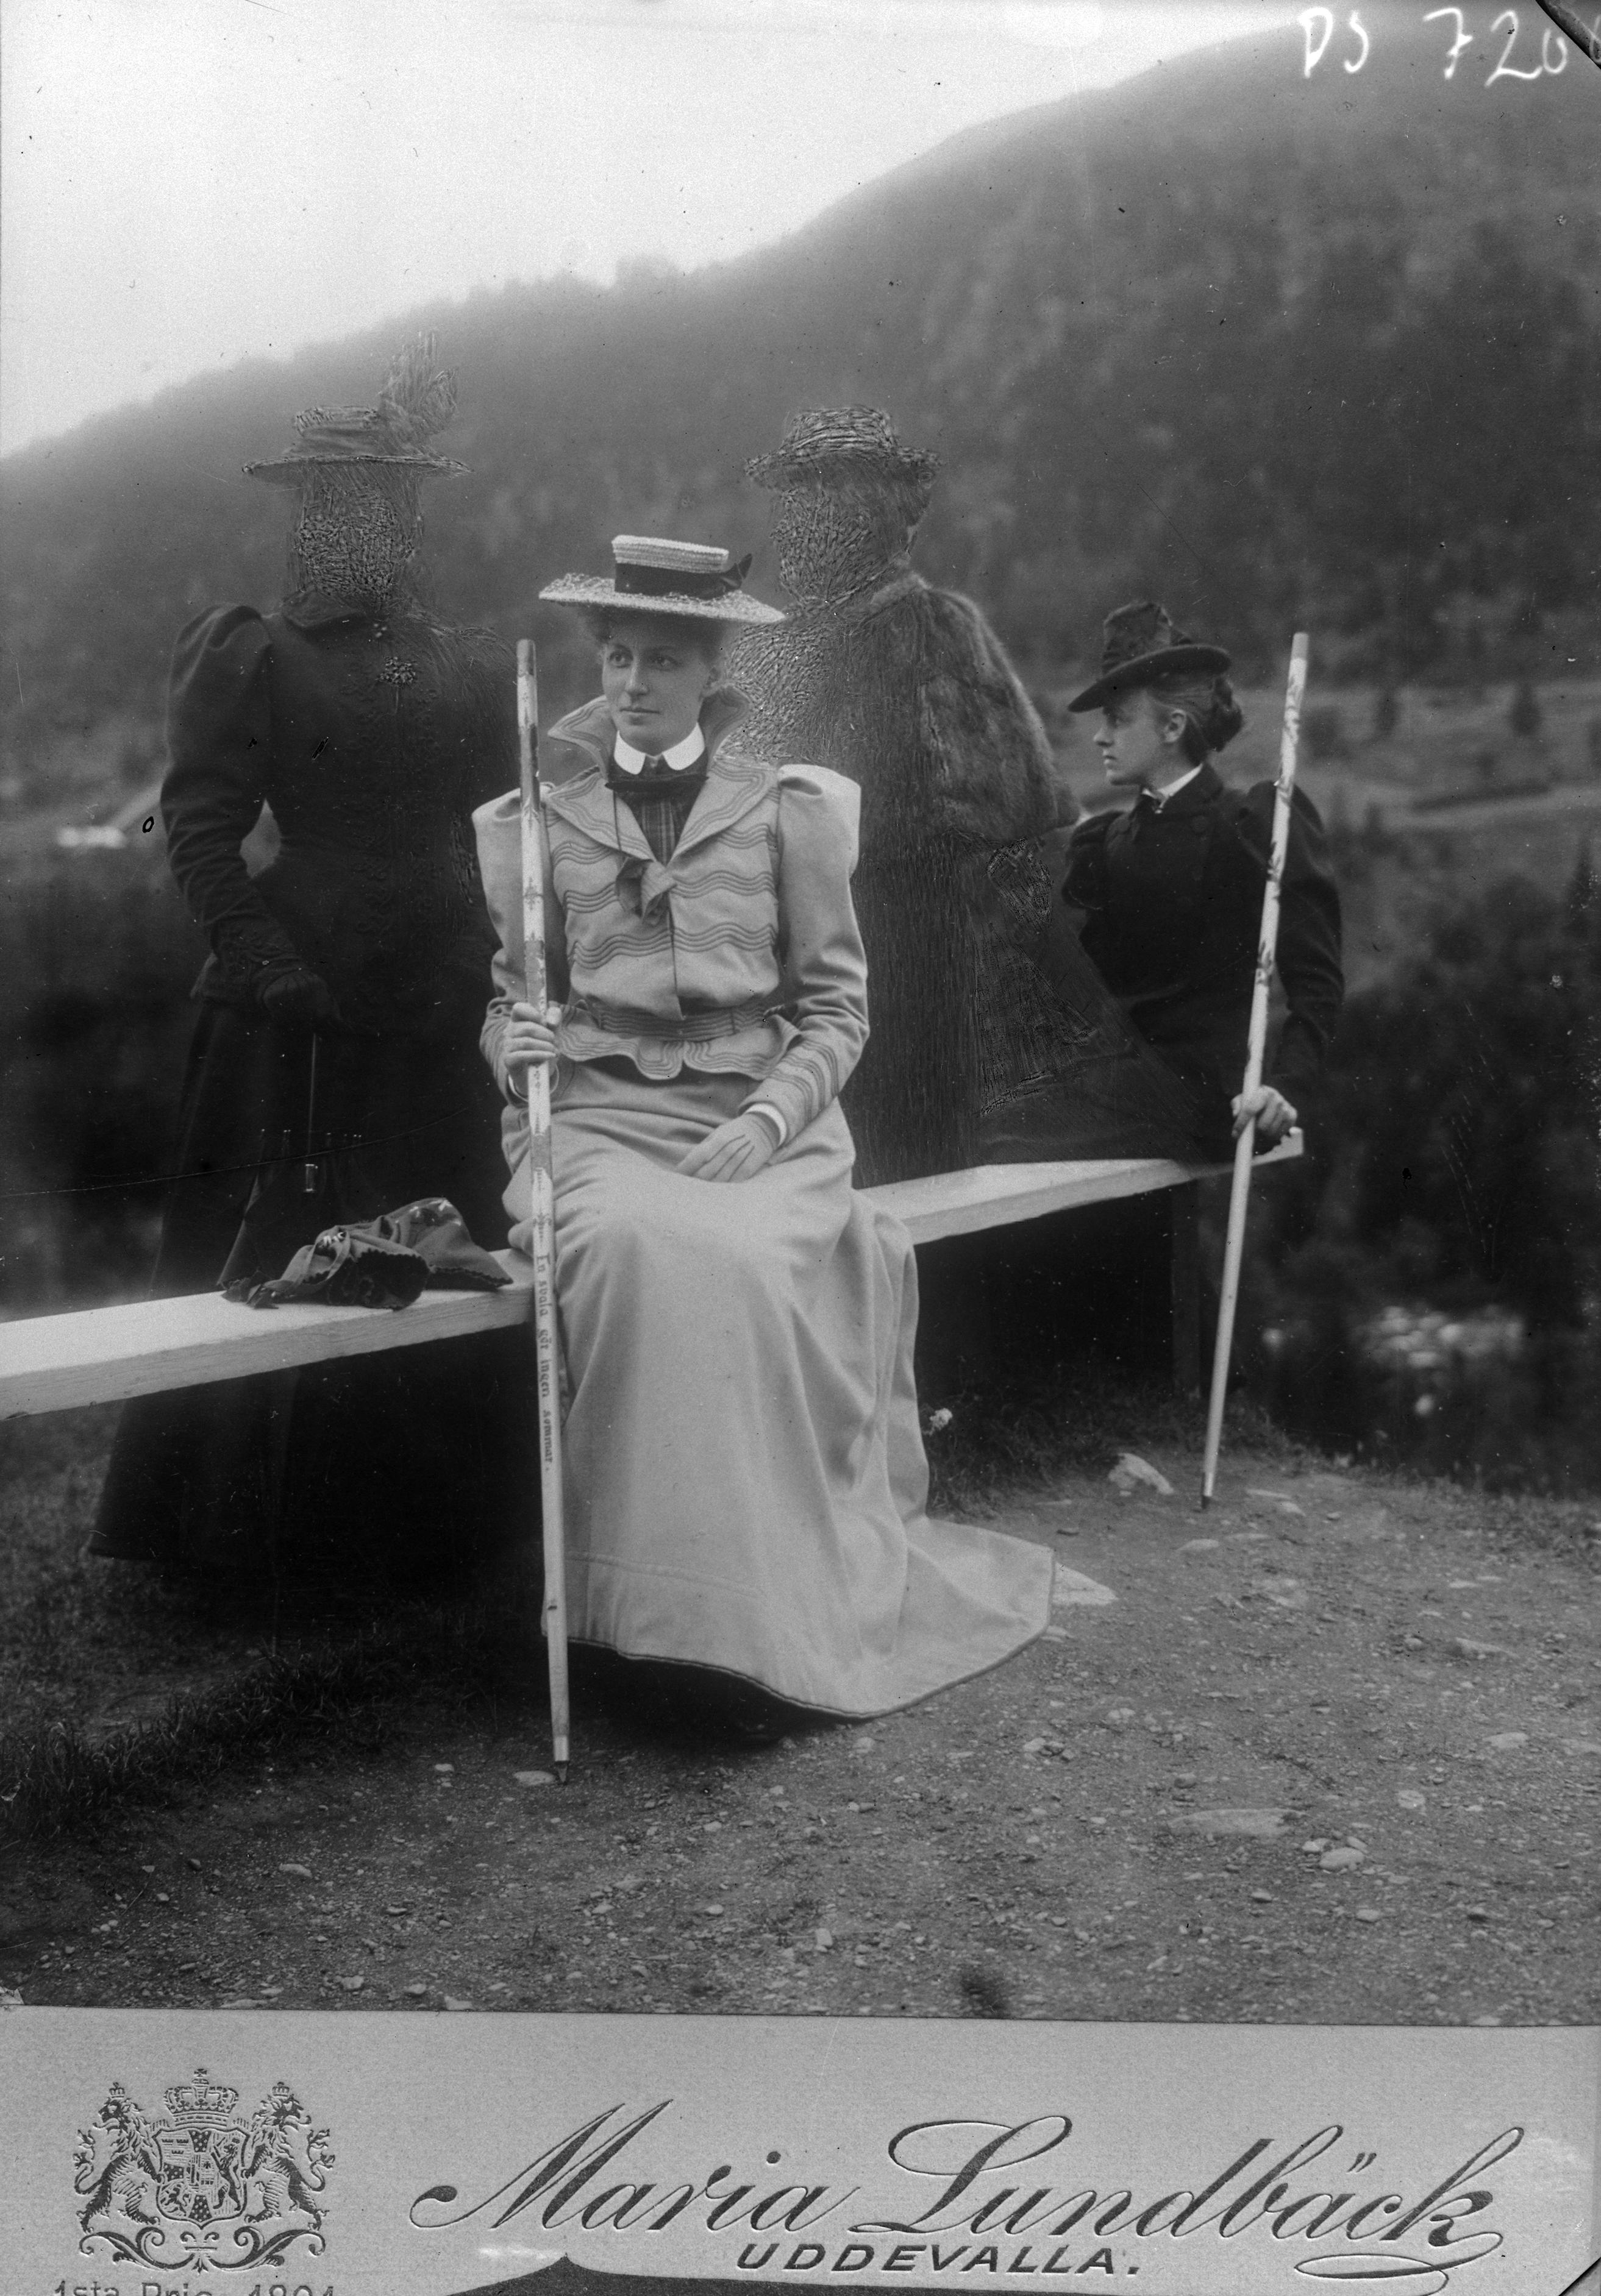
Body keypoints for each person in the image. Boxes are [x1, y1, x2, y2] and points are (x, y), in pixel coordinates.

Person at [473, 533, 1053, 1726]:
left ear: (710, 675)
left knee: (737, 1264)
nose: (635, 681)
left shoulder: (786, 812)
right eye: (620, 656)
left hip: (763, 1132)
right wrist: (512, 1040)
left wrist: (767, 1115)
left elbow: (838, 1012)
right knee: (629, 1247)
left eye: (663, 659)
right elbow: (512, 998)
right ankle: (636, 1623)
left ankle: (743, 1630)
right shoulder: (546, 823)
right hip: (600, 1124)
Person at [89, 338, 526, 1598]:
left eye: (392, 501)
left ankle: (441, 1536)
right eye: (345, 501)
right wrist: (270, 960)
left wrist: (490, 951)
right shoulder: (255, 653)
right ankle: (244, 1546)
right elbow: (200, 827)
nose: (371, 523)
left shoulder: (464, 661)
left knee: (456, 1236)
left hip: (447, 994)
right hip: (301, 1013)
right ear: (310, 512)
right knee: (284, 1248)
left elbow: (501, 826)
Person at [730, 408, 1205, 1184]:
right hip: (796, 958)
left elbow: (1000, 820)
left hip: (920, 975)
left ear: (863, 515)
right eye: (786, 501)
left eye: (808, 501)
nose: (786, 526)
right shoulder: (780, 646)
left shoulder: (931, 628)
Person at [1060, 601, 1344, 1157]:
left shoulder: (1252, 826)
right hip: (1116, 1097)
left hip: (1208, 1106)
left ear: (1173, 726)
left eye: (1118, 719)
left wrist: (1285, 1088)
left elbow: (1317, 985)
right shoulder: (1104, 845)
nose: (1099, 737)